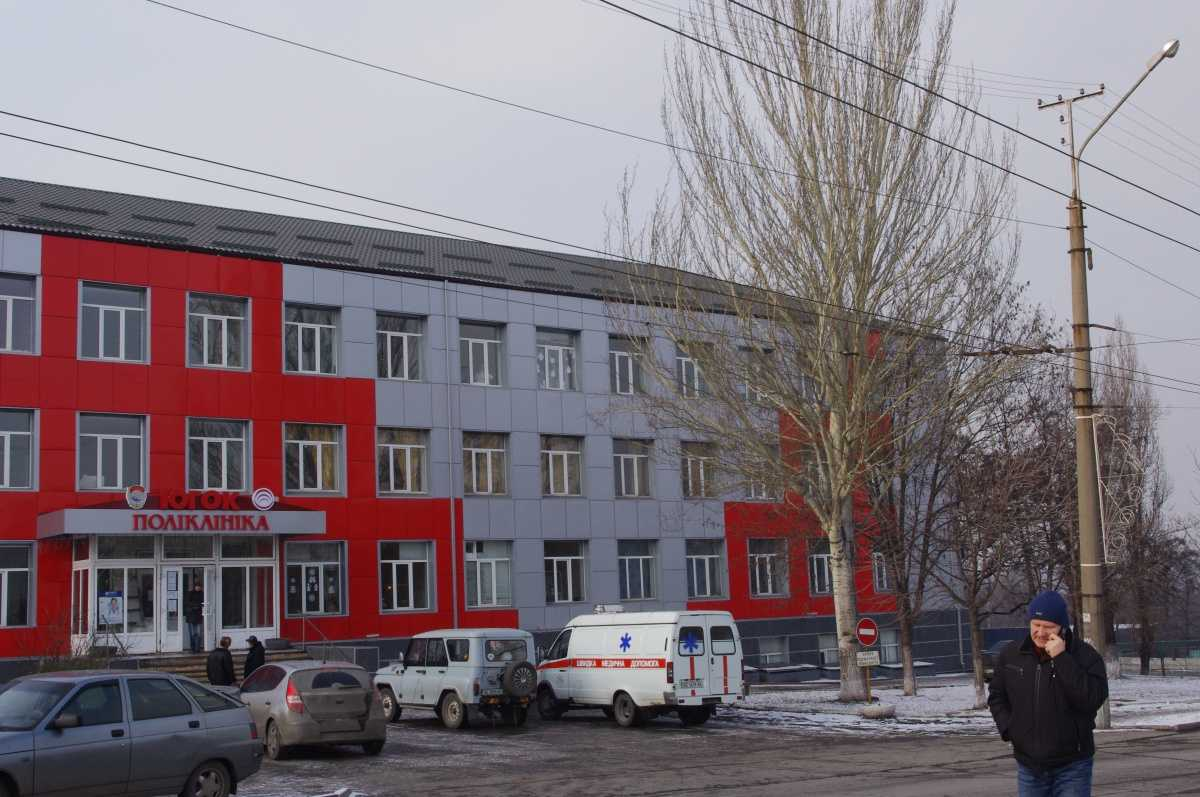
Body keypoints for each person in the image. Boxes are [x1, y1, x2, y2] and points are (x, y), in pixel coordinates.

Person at [988, 590, 1109, 797]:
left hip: (1072, 765)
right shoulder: (1012, 655)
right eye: (1036, 625)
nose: (1041, 632)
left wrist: (1061, 659)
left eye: (1048, 627)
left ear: (1062, 627)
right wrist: (1009, 728)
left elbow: (1090, 699)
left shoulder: (1086, 657)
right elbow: (997, 696)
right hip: (1029, 766)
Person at [183, 583, 204, 654]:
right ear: (195, 587)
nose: (198, 588)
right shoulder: (190, 593)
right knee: (192, 634)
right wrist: (196, 606)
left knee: (198, 633)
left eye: (199, 586)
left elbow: (203, 603)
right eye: (197, 586)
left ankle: (197, 649)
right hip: (191, 616)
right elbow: (187, 603)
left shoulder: (202, 594)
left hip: (198, 616)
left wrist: (197, 606)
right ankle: (193, 648)